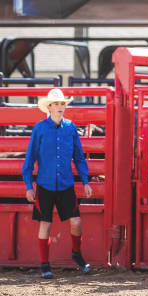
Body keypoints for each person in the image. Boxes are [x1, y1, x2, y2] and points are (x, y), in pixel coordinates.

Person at [21, 88, 93, 279]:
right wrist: (29, 185)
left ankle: (76, 254)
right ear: (49, 107)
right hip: (44, 185)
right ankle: (45, 264)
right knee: (45, 224)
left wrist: (85, 180)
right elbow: (30, 159)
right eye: (56, 104)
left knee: (76, 222)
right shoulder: (39, 129)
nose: (60, 107)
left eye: (62, 104)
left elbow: (79, 157)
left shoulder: (70, 128)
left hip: (66, 184)